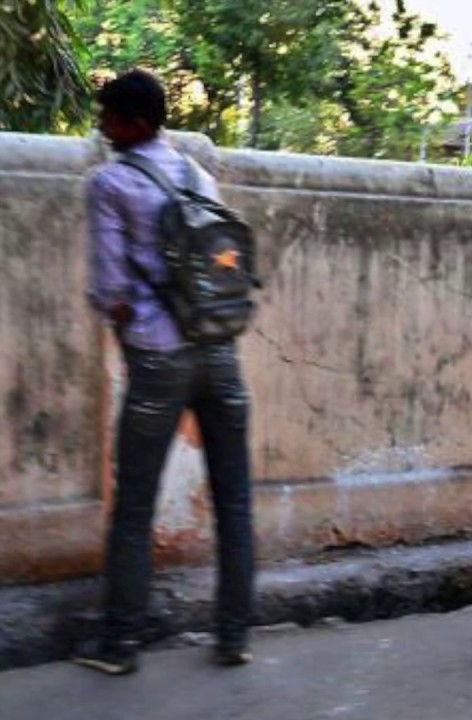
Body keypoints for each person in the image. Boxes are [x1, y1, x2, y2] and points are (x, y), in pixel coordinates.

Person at [73, 70, 255, 674]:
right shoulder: (194, 173)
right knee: (234, 499)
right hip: (220, 350)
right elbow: (221, 263)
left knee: (134, 507)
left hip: (159, 358)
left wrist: (131, 331)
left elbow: (110, 289)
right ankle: (234, 637)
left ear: (136, 123)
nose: (102, 126)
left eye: (109, 116)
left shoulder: (110, 182)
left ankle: (120, 643)